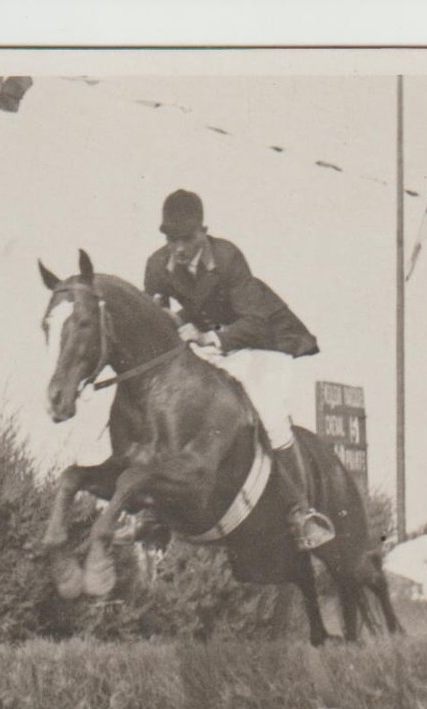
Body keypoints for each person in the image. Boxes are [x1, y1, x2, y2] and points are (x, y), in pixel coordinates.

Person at [143, 189, 334, 551]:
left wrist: (203, 335)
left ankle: (302, 513)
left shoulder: (228, 258)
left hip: (263, 340)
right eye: (171, 239)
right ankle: (155, 514)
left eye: (187, 238)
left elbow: (254, 323)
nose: (179, 248)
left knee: (270, 415)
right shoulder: (157, 265)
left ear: (204, 232)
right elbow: (157, 320)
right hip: (214, 341)